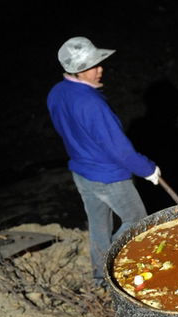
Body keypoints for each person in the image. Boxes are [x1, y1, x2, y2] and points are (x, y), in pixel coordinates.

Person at [47, 36, 161, 288]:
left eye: (99, 63)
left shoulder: (57, 92)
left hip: (81, 171)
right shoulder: (92, 103)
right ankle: (112, 266)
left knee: (99, 225)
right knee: (137, 221)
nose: (101, 69)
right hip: (109, 176)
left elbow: (64, 128)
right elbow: (118, 148)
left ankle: (100, 278)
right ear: (77, 70)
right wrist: (148, 169)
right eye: (93, 66)